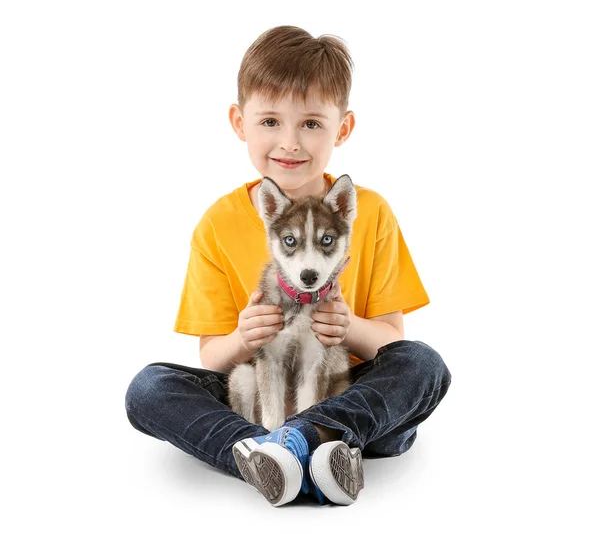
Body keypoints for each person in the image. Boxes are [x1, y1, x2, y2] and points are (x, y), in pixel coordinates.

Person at [125, 25, 452, 507]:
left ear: (343, 127)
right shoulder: (217, 223)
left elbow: (391, 343)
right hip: (257, 386)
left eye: (312, 123)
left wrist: (349, 327)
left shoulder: (370, 211)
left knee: (423, 364)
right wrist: (243, 338)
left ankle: (280, 449)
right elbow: (213, 358)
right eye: (271, 121)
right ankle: (317, 451)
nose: (291, 142)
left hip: (344, 385)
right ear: (240, 122)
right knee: (150, 389)